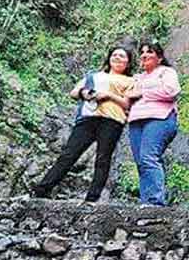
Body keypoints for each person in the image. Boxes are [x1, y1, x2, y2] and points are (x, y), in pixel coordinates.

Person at [33, 46, 135, 202]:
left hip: (112, 120)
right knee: (69, 154)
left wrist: (108, 95)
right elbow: (74, 92)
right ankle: (42, 189)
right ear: (108, 58)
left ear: (128, 62)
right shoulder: (93, 76)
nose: (117, 58)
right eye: (114, 55)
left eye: (122, 56)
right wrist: (84, 93)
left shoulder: (130, 81)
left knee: (103, 158)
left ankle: (92, 198)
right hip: (88, 117)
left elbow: (127, 104)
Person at [127, 41, 180, 206]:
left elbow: (171, 91)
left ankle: (155, 202)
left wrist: (142, 93)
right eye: (142, 52)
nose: (144, 55)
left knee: (149, 158)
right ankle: (145, 202)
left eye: (149, 52)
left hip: (160, 118)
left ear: (160, 57)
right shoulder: (136, 77)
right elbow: (126, 96)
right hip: (136, 121)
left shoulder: (166, 72)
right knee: (141, 162)